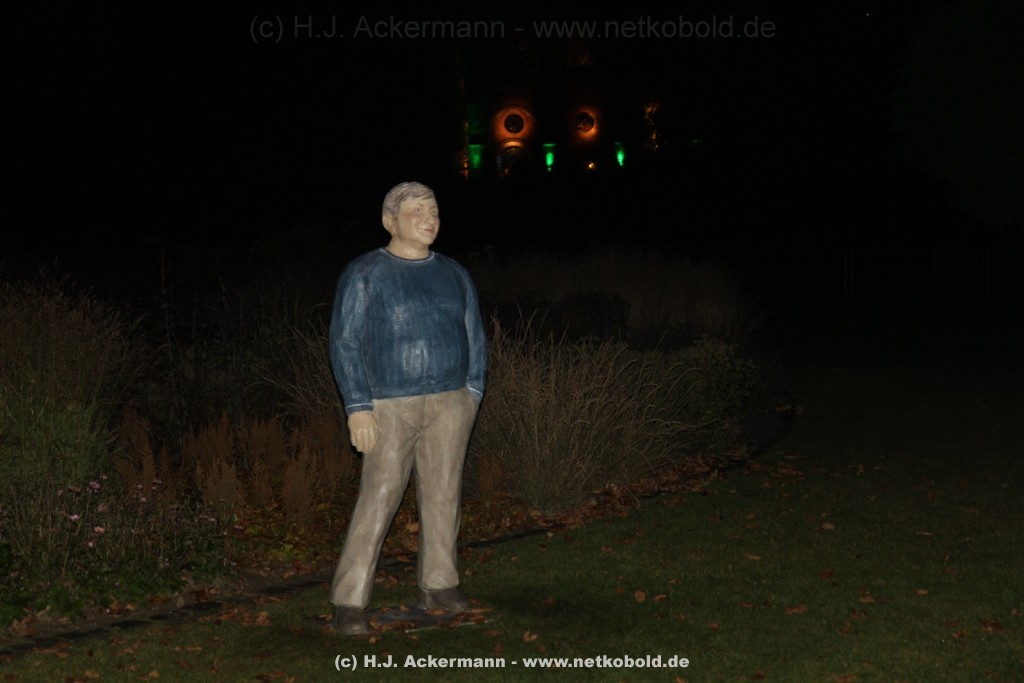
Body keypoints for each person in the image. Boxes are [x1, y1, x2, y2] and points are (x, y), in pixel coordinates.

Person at [327, 181, 487, 635]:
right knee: (379, 496)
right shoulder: (365, 274)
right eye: (417, 210)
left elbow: (475, 335)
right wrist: (358, 406)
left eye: (433, 209)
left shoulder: (454, 274)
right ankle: (349, 599)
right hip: (389, 405)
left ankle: (440, 584)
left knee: (444, 495)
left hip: (450, 403)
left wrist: (471, 394)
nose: (429, 218)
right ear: (389, 220)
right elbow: (344, 341)